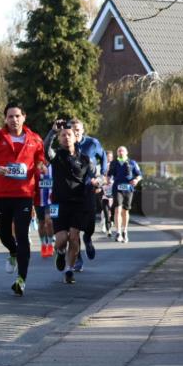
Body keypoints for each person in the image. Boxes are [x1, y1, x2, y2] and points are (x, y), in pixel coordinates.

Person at [0, 102, 47, 296]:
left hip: (24, 195)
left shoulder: (35, 139)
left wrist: (41, 167)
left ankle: (21, 279)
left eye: (17, 116)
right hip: (2, 194)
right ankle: (13, 252)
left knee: (22, 235)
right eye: (10, 116)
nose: (14, 120)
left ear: (24, 117)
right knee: (5, 235)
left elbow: (40, 160)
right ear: (5, 119)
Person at [44, 121, 98, 283]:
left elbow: (95, 175)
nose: (66, 137)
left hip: (79, 203)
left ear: (75, 137)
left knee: (74, 237)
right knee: (61, 240)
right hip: (59, 203)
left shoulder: (85, 159)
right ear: (59, 139)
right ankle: (60, 253)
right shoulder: (56, 156)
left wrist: (97, 182)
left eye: (69, 135)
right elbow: (45, 149)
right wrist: (53, 132)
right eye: (63, 135)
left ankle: (69, 270)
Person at [72, 119, 107, 261]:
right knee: (73, 228)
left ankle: (87, 238)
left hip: (89, 187)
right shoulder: (67, 144)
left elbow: (103, 156)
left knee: (90, 222)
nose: (75, 132)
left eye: (77, 130)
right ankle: (77, 258)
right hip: (72, 189)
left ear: (82, 130)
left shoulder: (92, 143)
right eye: (72, 129)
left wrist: (102, 176)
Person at [107, 146, 142, 242]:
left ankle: (125, 231)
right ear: (117, 153)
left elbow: (139, 175)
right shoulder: (114, 163)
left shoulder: (132, 163)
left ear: (126, 152)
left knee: (125, 211)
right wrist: (108, 180)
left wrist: (136, 180)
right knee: (117, 209)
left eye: (122, 151)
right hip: (117, 188)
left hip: (128, 188)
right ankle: (118, 232)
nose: (120, 152)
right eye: (119, 151)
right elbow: (109, 174)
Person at [35, 164, 56, 258]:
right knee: (41, 223)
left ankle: (50, 244)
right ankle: (43, 244)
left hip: (53, 200)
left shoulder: (54, 166)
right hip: (39, 200)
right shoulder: (36, 166)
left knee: (50, 221)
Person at [101, 150, 115, 236]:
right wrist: (102, 182)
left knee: (112, 211)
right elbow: (99, 176)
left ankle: (111, 220)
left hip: (113, 190)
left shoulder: (114, 165)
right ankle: (107, 227)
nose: (110, 158)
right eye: (108, 156)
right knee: (105, 210)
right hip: (104, 190)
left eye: (111, 157)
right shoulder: (102, 166)